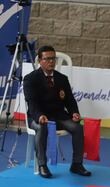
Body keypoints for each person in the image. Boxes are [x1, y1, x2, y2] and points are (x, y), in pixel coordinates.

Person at [23, 45, 91, 178]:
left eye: (53, 59)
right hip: (39, 117)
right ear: (40, 61)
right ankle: (42, 165)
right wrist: (39, 116)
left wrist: (74, 113)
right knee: (42, 128)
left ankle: (77, 164)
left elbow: (70, 101)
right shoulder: (30, 79)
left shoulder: (62, 78)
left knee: (77, 128)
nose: (51, 62)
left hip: (58, 116)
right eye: (47, 59)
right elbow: (31, 102)